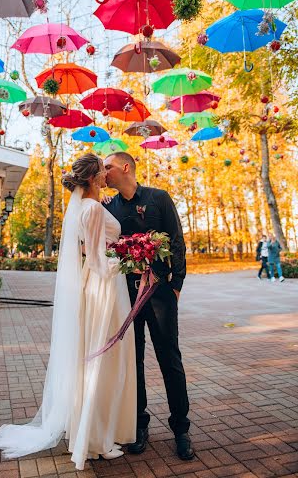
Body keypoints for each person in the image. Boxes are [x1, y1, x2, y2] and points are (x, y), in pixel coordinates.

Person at [0, 153, 136, 470]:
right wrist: (131, 262)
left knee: (99, 360)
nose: (108, 175)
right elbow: (96, 260)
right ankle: (94, 440)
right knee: (101, 363)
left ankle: (94, 432)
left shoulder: (87, 206)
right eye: (103, 172)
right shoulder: (92, 208)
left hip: (99, 285)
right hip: (103, 289)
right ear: (94, 178)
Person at [103, 151, 194, 461]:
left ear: (125, 167)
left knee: (170, 358)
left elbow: (178, 241)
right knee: (134, 361)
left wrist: (177, 285)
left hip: (160, 295)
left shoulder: (159, 198)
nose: (104, 173)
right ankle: (139, 426)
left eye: (108, 167)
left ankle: (181, 428)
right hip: (125, 296)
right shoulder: (108, 207)